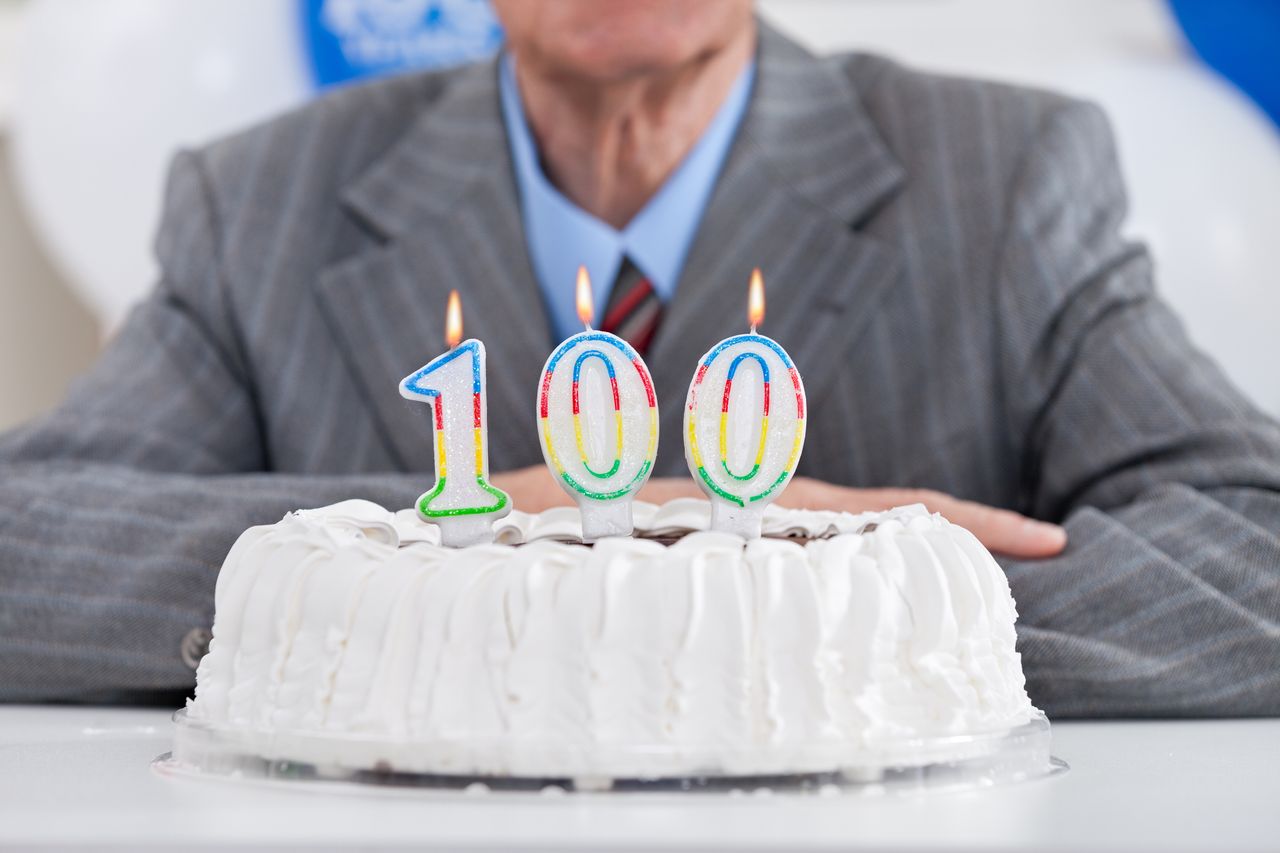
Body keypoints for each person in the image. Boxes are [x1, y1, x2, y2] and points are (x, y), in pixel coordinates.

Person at [1, 0, 1277, 713]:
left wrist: (806, 608)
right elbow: (26, 551)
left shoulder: (1004, 179)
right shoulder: (261, 201)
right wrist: (499, 525)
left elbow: (1254, 555)